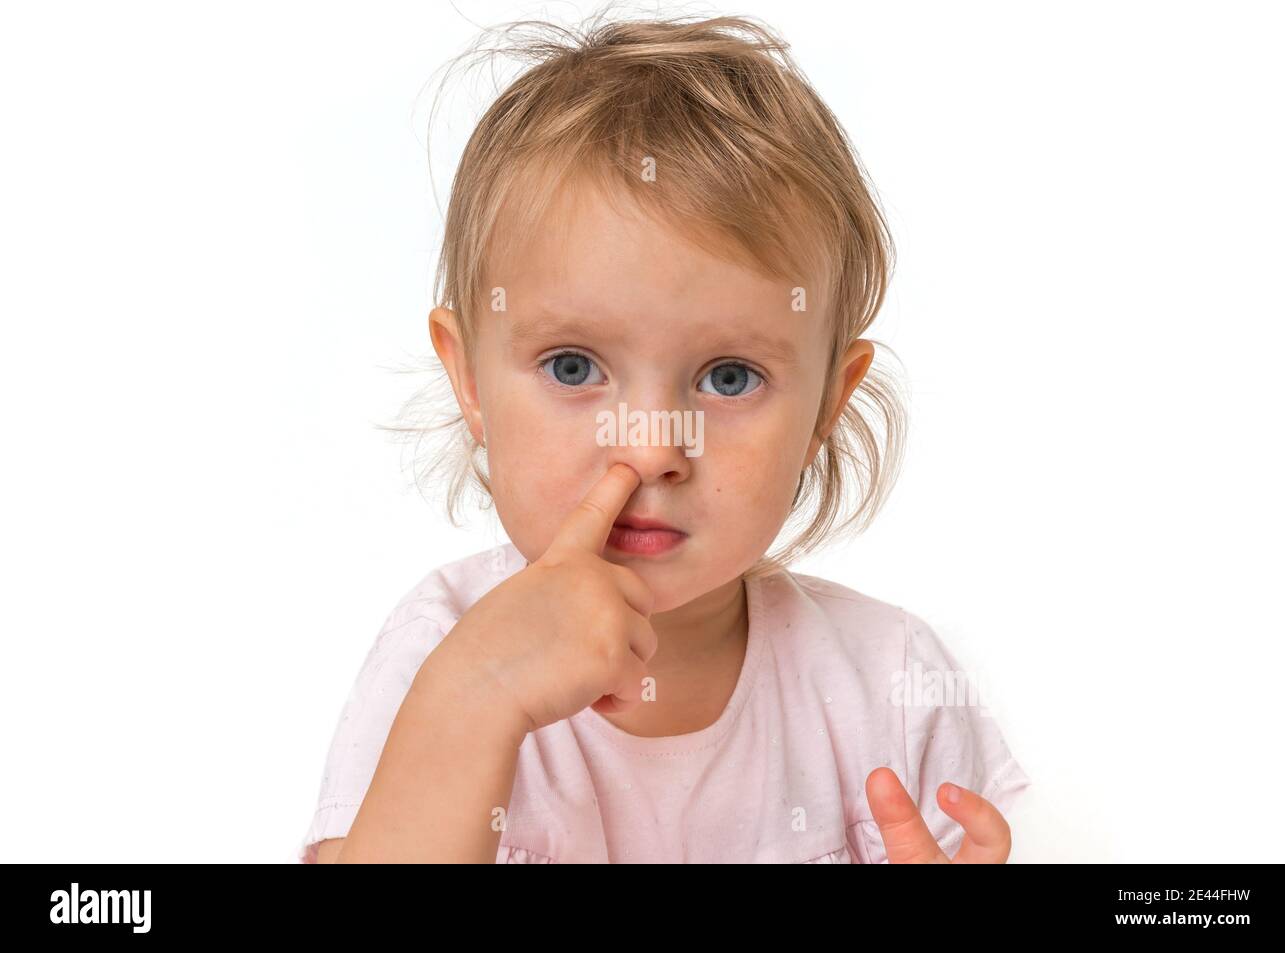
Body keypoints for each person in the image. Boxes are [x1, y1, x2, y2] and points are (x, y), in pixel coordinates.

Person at [299, 5, 1031, 863]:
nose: (651, 448)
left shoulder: (889, 683)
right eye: (573, 367)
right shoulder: (441, 649)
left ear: (828, 407)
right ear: (469, 378)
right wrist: (477, 700)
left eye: (729, 377)